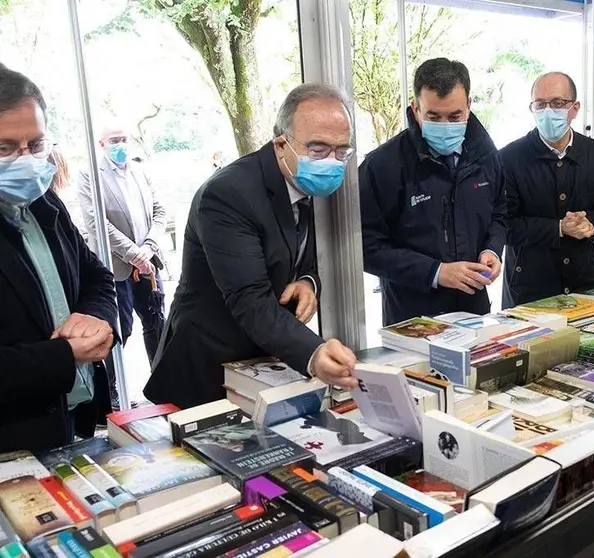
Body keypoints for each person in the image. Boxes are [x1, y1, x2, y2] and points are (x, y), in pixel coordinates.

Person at [144, 83, 358, 409]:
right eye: (318, 150)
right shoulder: (229, 194)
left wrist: (308, 281)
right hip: (209, 367)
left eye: (341, 151)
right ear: (281, 143)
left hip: (266, 361)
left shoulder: (315, 185)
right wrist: (314, 354)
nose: (331, 161)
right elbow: (249, 298)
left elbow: (310, 252)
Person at [0, 68, 118, 451]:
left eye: (35, 145)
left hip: (66, 419)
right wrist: (64, 354)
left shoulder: (45, 202)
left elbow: (96, 275)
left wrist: (95, 317)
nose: (26, 160)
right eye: (5, 147)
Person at [360, 58, 506, 326]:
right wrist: (436, 272)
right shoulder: (382, 166)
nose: (446, 126)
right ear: (415, 108)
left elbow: (499, 213)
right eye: (434, 117)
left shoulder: (487, 156)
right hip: (412, 319)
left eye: (455, 116)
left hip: (474, 312)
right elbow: (365, 247)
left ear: (469, 107)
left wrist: (492, 250)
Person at [501, 72, 594, 308]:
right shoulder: (509, 158)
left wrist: (589, 222)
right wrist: (558, 228)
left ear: (574, 108)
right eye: (540, 104)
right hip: (529, 288)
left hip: (584, 284)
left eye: (557, 103)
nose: (547, 111)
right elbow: (504, 225)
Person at [77, 125, 167, 368]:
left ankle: (161, 380)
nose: (121, 145)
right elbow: (96, 221)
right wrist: (133, 254)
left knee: (157, 324)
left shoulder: (140, 171)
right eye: (114, 140)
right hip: (116, 268)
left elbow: (160, 211)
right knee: (119, 331)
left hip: (149, 265)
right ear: (102, 144)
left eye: (124, 139)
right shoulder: (90, 176)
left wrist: (148, 248)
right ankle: (114, 390)